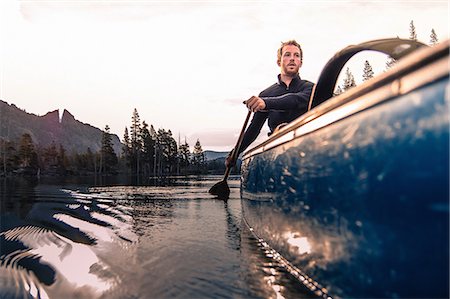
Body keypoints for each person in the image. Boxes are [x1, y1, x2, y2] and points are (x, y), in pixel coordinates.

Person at [226, 40, 314, 167]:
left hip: (306, 151)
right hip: (277, 156)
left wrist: (265, 103)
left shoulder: (310, 88)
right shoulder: (266, 93)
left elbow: (295, 100)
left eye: (296, 55)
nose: (292, 59)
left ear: (301, 62)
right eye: (287, 55)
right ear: (279, 61)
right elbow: (254, 129)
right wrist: (235, 153)